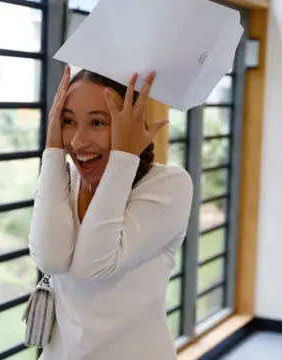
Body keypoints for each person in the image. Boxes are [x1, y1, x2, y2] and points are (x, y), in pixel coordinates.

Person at [28, 65, 194, 360]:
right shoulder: (64, 181)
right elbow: (50, 258)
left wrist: (124, 157)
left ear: (131, 124)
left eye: (98, 123)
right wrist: (53, 150)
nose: (78, 141)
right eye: (68, 121)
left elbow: (91, 267)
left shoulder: (169, 186)